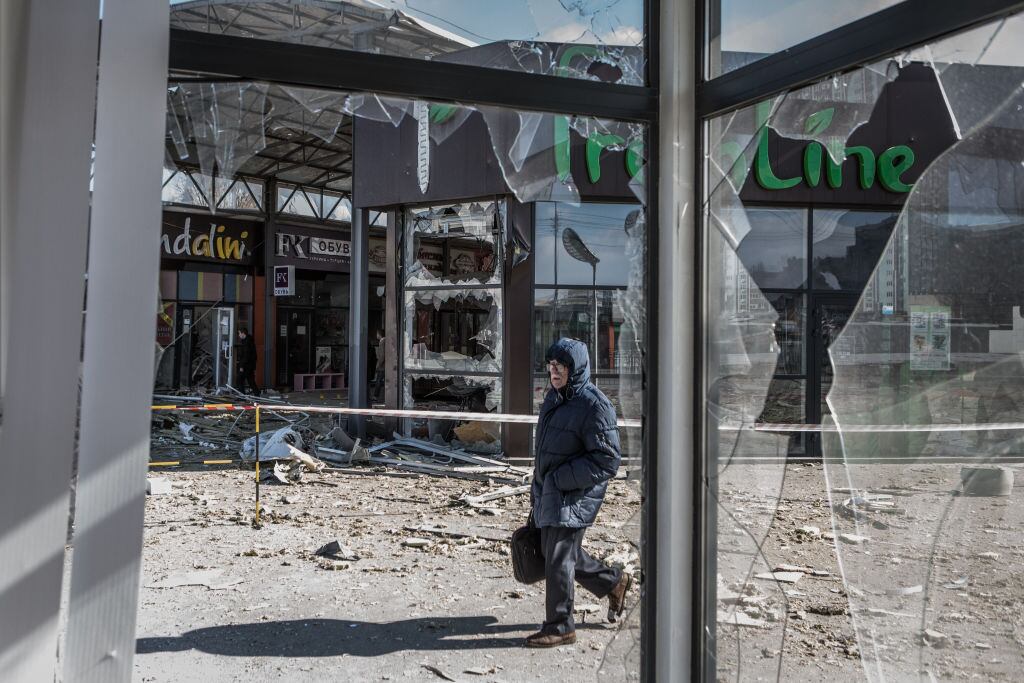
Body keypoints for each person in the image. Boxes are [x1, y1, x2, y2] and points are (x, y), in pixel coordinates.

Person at [525, 337, 631, 648]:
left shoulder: (594, 405)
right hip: (551, 491)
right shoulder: (554, 398)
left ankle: (560, 626)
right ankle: (613, 582)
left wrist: (560, 480)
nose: (554, 371)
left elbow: (608, 459)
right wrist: (540, 486)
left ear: (577, 368)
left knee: (558, 558)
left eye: (561, 366)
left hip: (574, 495)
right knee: (558, 554)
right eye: (551, 364)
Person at [236, 328, 259, 396]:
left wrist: (242, 366)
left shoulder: (247, 342)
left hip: (247, 365)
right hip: (250, 365)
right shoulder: (248, 340)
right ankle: (257, 394)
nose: (239, 335)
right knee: (251, 380)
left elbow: (246, 355)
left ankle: (242, 396)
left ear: (243, 333)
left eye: (239, 333)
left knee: (239, 379)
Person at [372, 329, 386, 401]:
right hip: (386, 365)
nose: (376, 335)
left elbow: (382, 355)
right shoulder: (385, 341)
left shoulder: (382, 342)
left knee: (378, 381)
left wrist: (378, 365)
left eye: (377, 333)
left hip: (383, 366)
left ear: (379, 334)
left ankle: (375, 396)